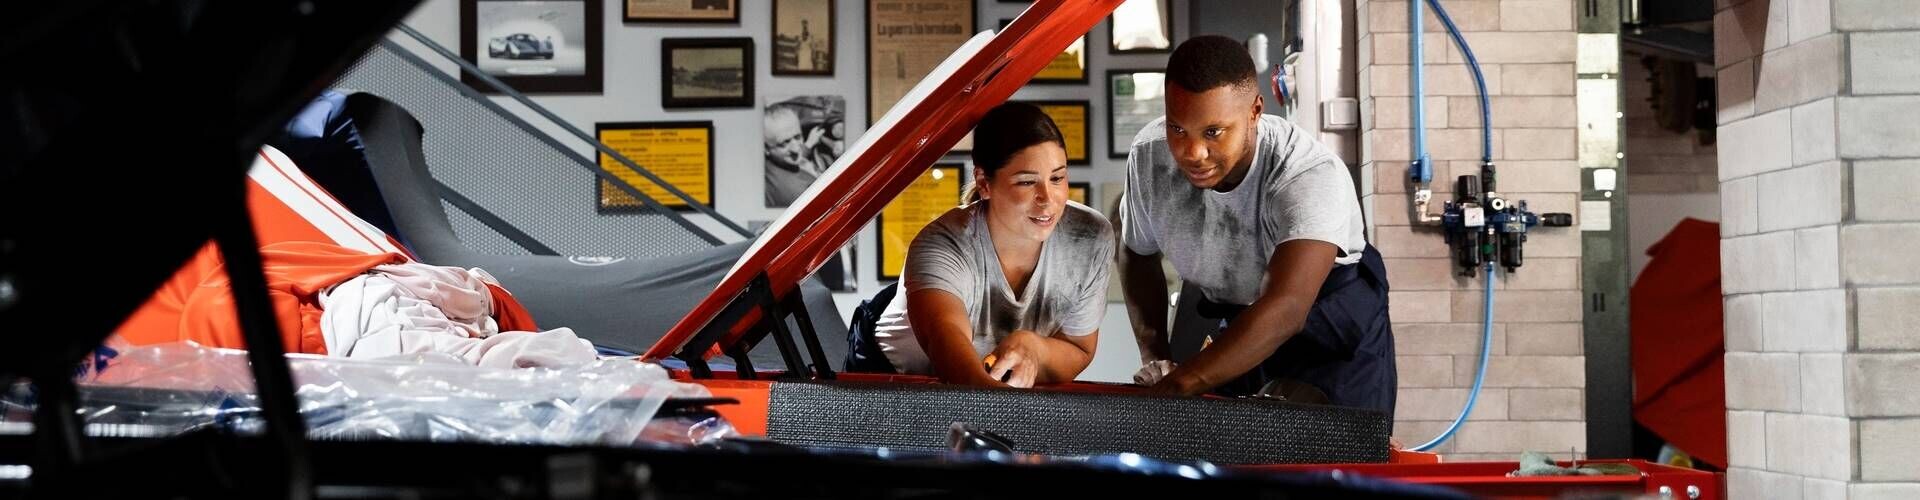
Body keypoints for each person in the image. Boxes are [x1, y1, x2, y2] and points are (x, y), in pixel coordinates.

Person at [1117, 35, 1395, 416]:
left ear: (1255, 110)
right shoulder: (1149, 156)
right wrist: (1156, 355)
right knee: (1231, 461)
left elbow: (1287, 307)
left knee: (1338, 465)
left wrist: (1180, 383)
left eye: (1213, 132)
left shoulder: (1307, 174)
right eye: (1177, 129)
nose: (1193, 153)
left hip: (1327, 321)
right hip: (1238, 320)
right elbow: (1136, 251)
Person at [845, 102, 1114, 388]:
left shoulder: (1090, 237)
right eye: (1026, 182)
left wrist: (1034, 348)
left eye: (1057, 178)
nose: (1048, 198)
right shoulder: (941, 244)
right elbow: (949, 349)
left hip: (987, 379)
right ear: (984, 183)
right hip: (892, 371)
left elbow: (1079, 347)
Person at [764, 104, 826, 206]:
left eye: (797, 137)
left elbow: (795, 157)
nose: (796, 149)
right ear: (766, 148)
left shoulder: (770, 165)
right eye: (784, 143)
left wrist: (808, 145)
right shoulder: (801, 193)